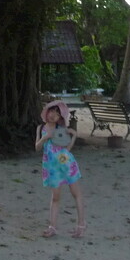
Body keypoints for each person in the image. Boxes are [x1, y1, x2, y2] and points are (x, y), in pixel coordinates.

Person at [35, 100, 86, 239]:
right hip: (51, 167)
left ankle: (81, 225)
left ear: (60, 118)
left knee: (76, 194)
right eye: (52, 111)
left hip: (65, 162)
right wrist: (46, 137)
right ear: (47, 111)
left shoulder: (60, 129)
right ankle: (52, 227)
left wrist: (74, 135)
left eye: (57, 114)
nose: (53, 115)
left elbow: (66, 149)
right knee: (55, 197)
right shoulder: (40, 128)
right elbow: (37, 147)